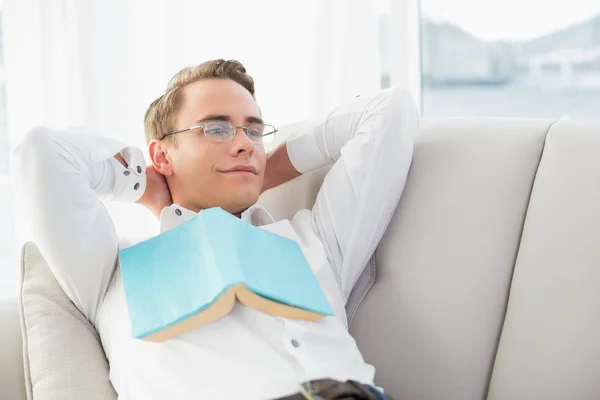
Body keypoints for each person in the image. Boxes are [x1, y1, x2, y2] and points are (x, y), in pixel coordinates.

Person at [11, 59, 418, 399]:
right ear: (162, 153)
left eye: (254, 130)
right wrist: (146, 185)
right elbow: (42, 152)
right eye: (216, 128)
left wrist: (265, 168)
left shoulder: (313, 243)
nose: (243, 143)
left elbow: (387, 112)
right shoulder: (111, 273)